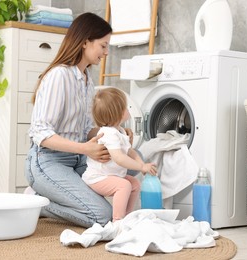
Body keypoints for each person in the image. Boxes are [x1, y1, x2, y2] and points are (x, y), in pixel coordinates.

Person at [25, 12, 134, 228]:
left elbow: (85, 129)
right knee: (102, 216)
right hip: (48, 162)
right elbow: (41, 133)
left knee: (129, 169)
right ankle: (37, 202)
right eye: (103, 46)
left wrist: (117, 132)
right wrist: (85, 149)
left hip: (77, 160)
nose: (106, 52)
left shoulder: (86, 80)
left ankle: (52, 197)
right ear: (85, 42)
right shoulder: (59, 76)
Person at [82, 87, 157, 222]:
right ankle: (118, 222)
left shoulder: (120, 131)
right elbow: (120, 158)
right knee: (124, 185)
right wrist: (141, 168)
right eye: (126, 107)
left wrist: (142, 164)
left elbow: (130, 151)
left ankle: (127, 217)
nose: (128, 110)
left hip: (110, 175)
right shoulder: (109, 133)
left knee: (134, 184)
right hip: (97, 178)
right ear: (119, 113)